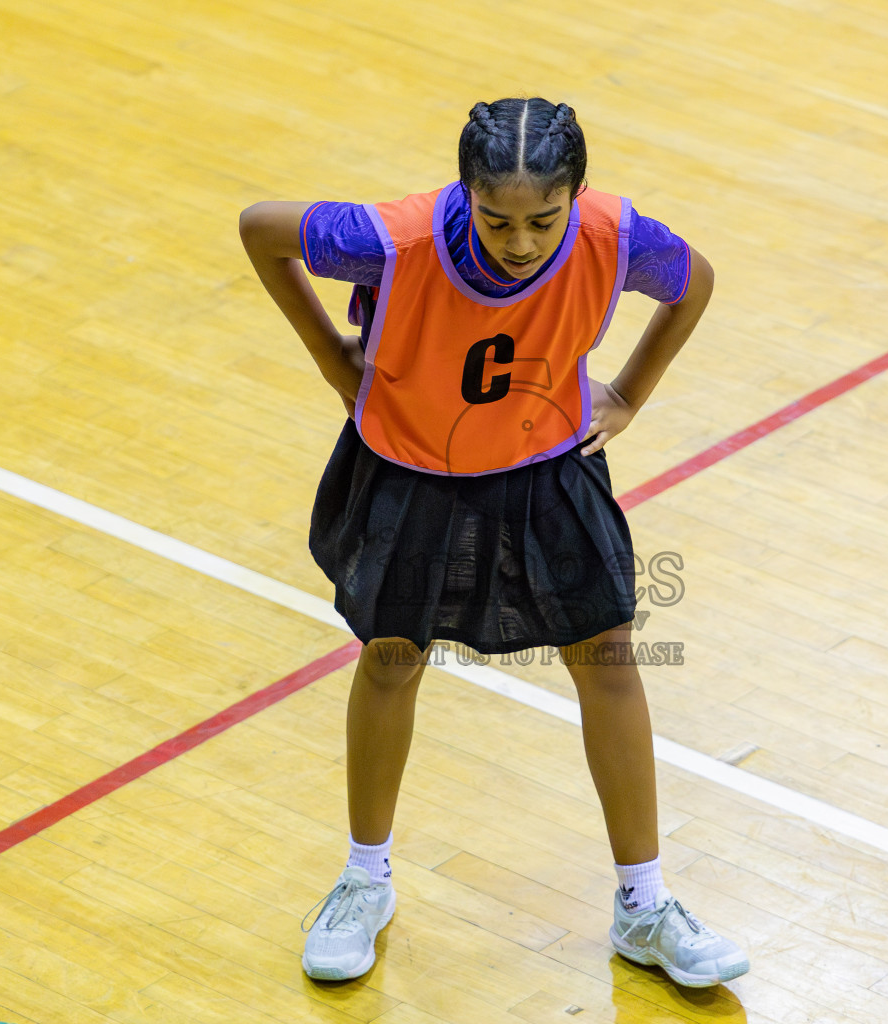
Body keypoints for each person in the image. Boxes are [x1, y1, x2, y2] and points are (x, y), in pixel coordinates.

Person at [239, 97, 748, 989]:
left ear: (576, 197)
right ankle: (365, 880)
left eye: (544, 221)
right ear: (463, 192)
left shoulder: (618, 238)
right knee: (393, 658)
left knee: (611, 658)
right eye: (497, 219)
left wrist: (628, 393)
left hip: (545, 466)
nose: (520, 242)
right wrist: (332, 357)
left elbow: (693, 281)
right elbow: (259, 229)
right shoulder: (387, 239)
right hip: (411, 473)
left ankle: (644, 904)